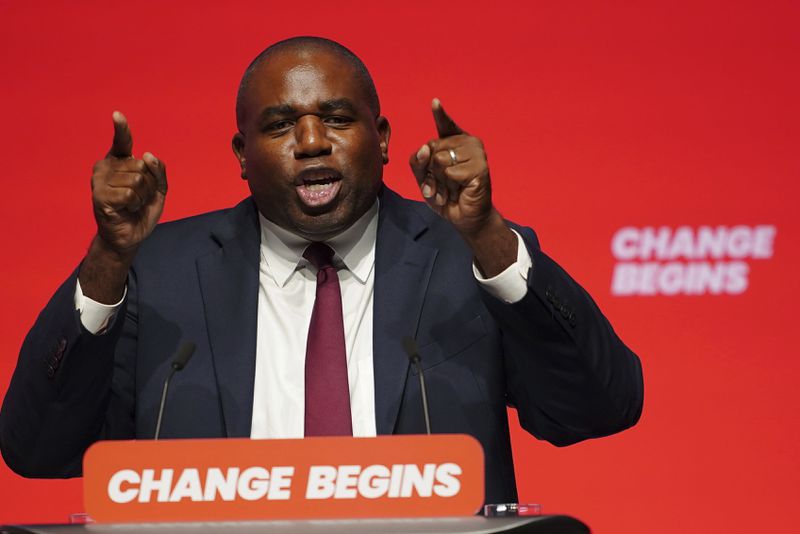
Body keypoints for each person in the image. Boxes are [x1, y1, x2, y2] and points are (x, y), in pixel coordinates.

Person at [0, 37, 643, 505]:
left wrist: (489, 237)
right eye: (280, 125)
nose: (312, 142)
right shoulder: (157, 273)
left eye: (337, 118)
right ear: (242, 156)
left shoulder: (467, 257)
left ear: (384, 137)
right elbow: (37, 449)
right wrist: (110, 256)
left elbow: (598, 408)